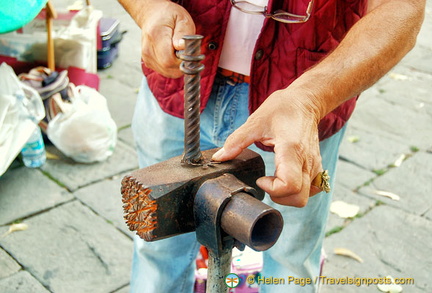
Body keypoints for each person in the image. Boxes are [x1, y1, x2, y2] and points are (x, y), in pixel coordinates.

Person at [118, 0, 425, 292]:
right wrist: (148, 8)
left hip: (294, 116)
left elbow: (402, 9)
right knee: (156, 246)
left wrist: (310, 99)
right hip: (176, 90)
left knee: (290, 258)